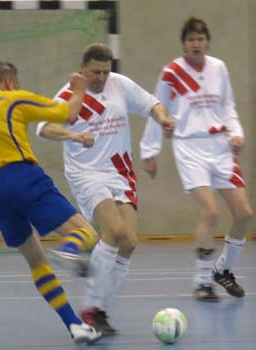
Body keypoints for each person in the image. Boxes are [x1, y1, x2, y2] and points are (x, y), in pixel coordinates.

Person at [0, 61, 102, 344]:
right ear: (10, 81)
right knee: (87, 233)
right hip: (21, 177)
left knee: (36, 260)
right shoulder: (14, 99)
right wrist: (79, 89)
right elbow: (68, 112)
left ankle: (75, 325)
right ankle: (70, 249)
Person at [36, 43, 175, 335]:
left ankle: (100, 309)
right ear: (83, 68)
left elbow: (151, 103)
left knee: (130, 242)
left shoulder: (119, 85)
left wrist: (163, 119)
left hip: (120, 170)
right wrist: (73, 134)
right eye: (95, 72)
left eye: (105, 72)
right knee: (114, 231)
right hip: (87, 172)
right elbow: (44, 129)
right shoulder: (69, 95)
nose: (100, 77)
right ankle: (88, 308)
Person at [140, 17, 253, 302]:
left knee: (244, 215)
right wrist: (149, 151)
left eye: (201, 38)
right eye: (191, 39)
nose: (196, 43)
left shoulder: (219, 68)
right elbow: (158, 109)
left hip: (220, 147)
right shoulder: (172, 73)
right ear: (184, 43)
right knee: (211, 212)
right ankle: (202, 282)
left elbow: (228, 106)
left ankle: (222, 270)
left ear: (208, 42)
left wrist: (237, 134)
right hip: (189, 148)